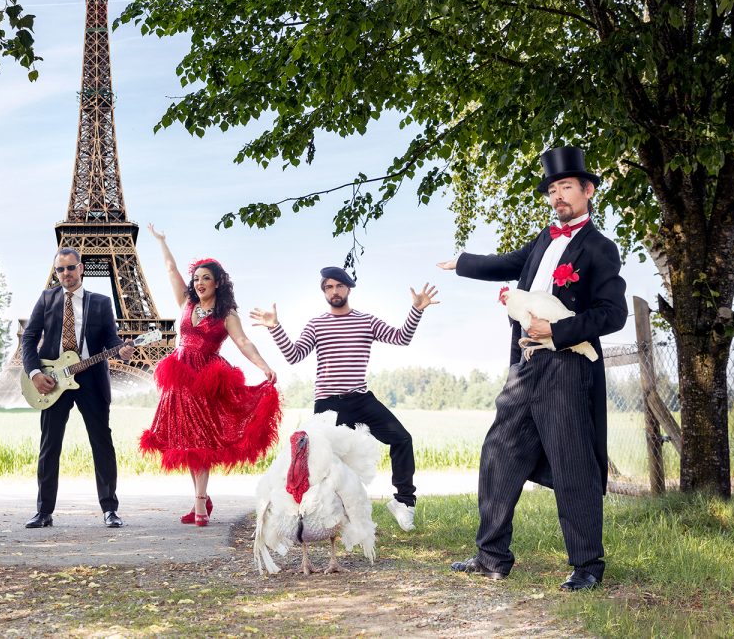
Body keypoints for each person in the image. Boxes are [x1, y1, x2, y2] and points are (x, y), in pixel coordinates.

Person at [438, 145, 628, 591]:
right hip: (525, 365)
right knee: (499, 453)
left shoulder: (600, 248)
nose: (558, 195)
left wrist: (557, 330)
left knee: (572, 464)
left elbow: (613, 313)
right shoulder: (544, 239)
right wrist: (463, 262)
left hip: (567, 368)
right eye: (552, 189)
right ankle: (491, 557)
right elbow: (507, 263)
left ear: (587, 191)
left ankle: (587, 566)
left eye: (566, 187)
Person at [250, 268, 439, 531]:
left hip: (361, 400)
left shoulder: (366, 321)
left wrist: (416, 310)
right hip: (328, 404)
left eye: (339, 286)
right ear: (324, 292)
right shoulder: (317, 324)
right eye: (329, 287)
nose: (334, 291)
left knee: (402, 439)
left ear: (348, 288)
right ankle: (316, 518)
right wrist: (275, 327)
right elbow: (294, 355)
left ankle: (403, 501)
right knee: (323, 463)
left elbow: (401, 337)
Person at [139, 225, 281, 526]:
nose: (199, 283)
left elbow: (243, 342)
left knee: (201, 441)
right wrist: (162, 241)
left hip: (205, 380)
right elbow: (170, 270)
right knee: (188, 443)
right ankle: (200, 499)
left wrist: (264, 366)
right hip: (178, 379)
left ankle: (200, 504)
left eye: (206, 278)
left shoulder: (227, 314)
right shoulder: (187, 303)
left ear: (217, 283)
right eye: (196, 278)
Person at [21, 247, 136, 529]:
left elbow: (111, 339)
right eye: (60, 269)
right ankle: (44, 511)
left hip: (91, 380)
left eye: (71, 268)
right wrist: (35, 374)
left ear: (81, 268)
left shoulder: (101, 302)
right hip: (53, 380)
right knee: (49, 445)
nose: (66, 273)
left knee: (102, 443)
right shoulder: (47, 298)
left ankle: (110, 509)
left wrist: (122, 351)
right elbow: (29, 338)